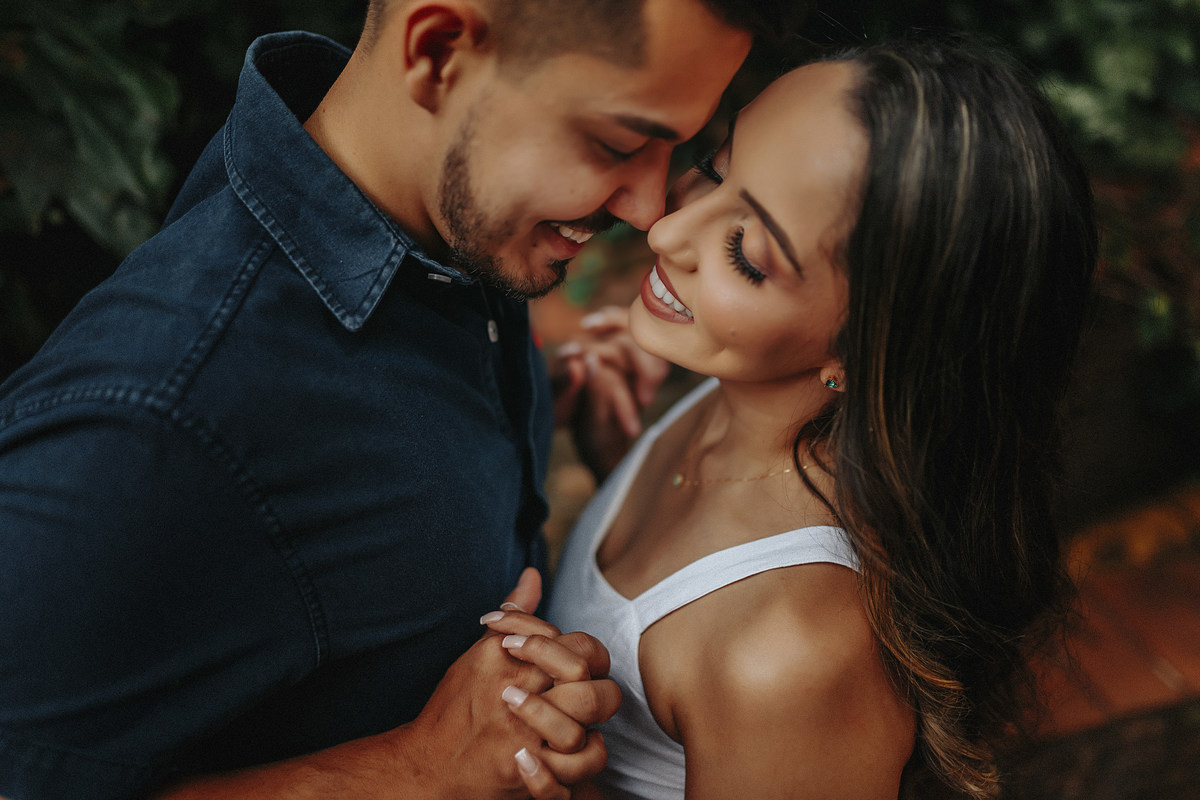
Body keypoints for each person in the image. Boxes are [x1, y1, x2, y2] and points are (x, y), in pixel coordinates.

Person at [0, 1, 813, 798]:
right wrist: (417, 770)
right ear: (437, 54)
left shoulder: (456, 232)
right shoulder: (151, 425)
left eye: (683, 149)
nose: (648, 210)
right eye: (617, 143)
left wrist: (519, 417)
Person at [485, 36, 1098, 799]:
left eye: (746, 253)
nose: (668, 231)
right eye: (714, 167)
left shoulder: (789, 658)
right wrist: (617, 454)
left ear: (875, 346)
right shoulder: (738, 401)